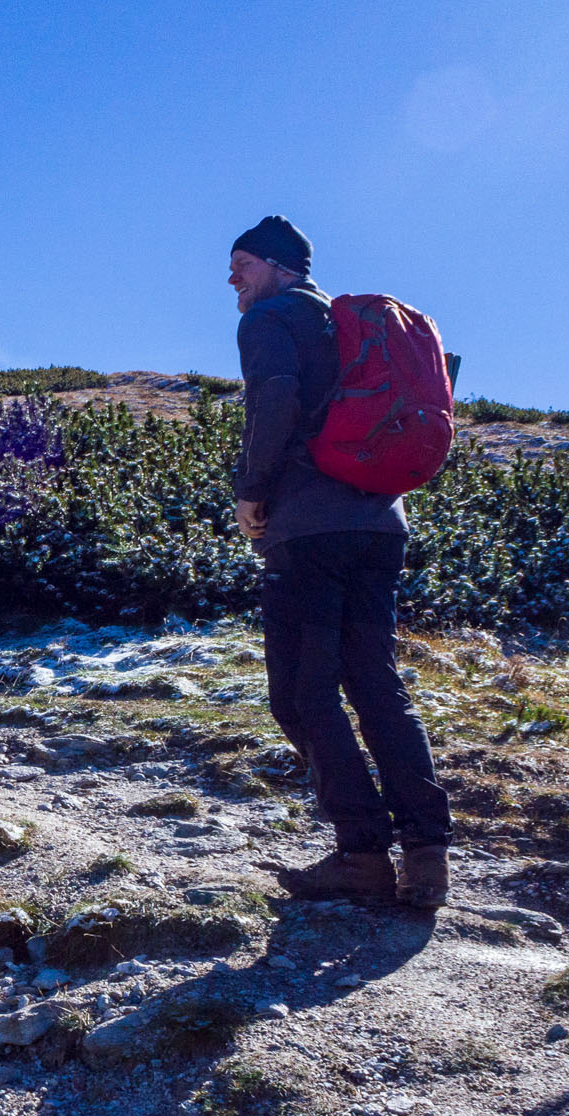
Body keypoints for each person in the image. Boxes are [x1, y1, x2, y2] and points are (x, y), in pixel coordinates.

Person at [228, 215, 453, 909]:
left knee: (303, 693)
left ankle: (360, 855)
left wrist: (250, 493)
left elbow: (275, 400)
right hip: (382, 523)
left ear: (276, 266)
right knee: (376, 683)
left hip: (309, 529)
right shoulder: (357, 327)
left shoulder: (270, 319)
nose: (230, 278)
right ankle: (425, 855)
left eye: (239, 263)